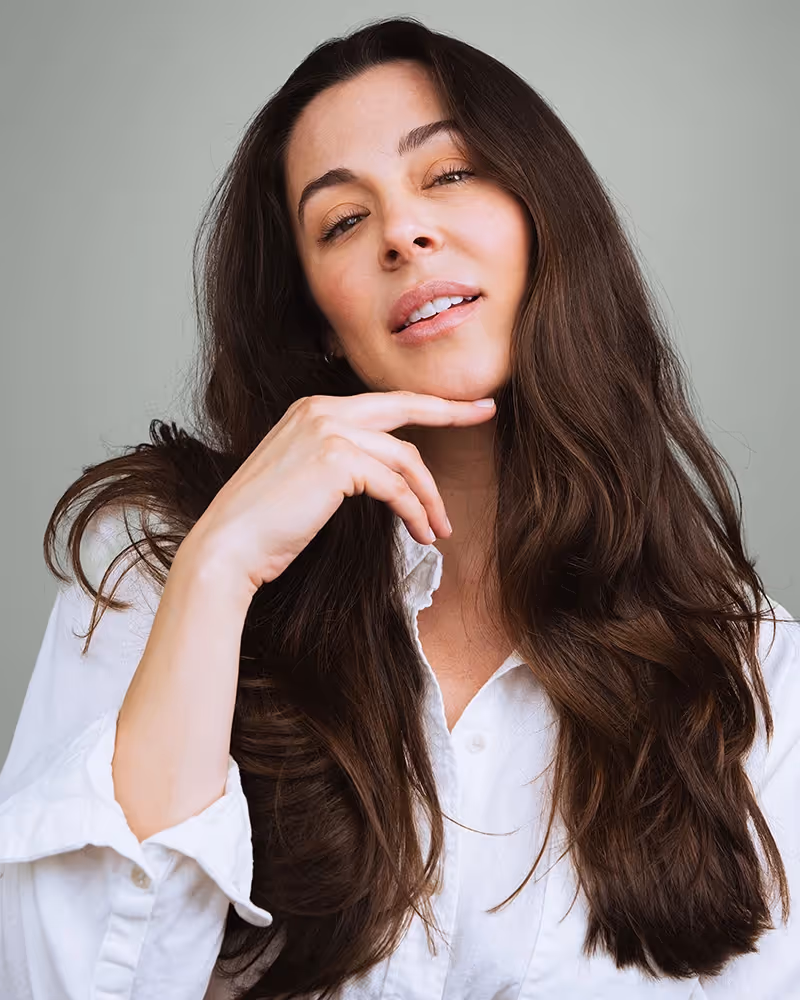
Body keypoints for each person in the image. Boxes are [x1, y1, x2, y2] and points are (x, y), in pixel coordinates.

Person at [1, 15, 798, 1000]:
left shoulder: (749, 672)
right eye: (341, 221)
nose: (403, 232)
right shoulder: (164, 562)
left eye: (449, 173)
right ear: (319, 324)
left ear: (543, 215)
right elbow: (61, 986)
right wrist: (219, 574)